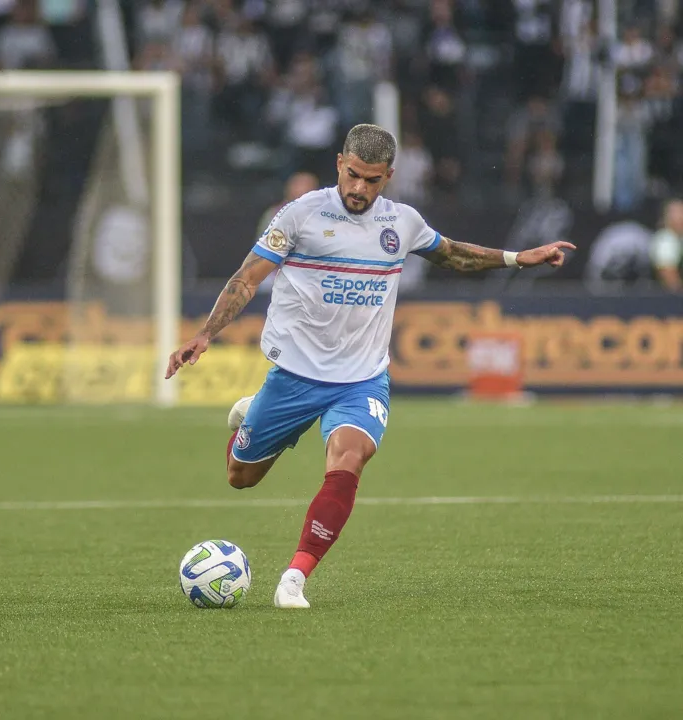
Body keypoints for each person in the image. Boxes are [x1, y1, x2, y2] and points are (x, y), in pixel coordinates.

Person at [165, 124, 575, 609]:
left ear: (389, 177)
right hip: (295, 375)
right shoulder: (300, 216)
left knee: (349, 459)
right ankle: (249, 416)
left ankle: (295, 577)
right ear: (340, 163)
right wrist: (204, 335)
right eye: (353, 175)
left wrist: (516, 259)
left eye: (372, 180)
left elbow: (452, 255)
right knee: (241, 477)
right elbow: (246, 278)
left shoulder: (401, 223)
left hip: (361, 380)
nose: (360, 188)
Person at [650, 198, 683, 291]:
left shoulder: (679, 239)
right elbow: (670, 279)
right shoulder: (665, 240)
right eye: (676, 213)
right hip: (668, 300)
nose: (680, 217)